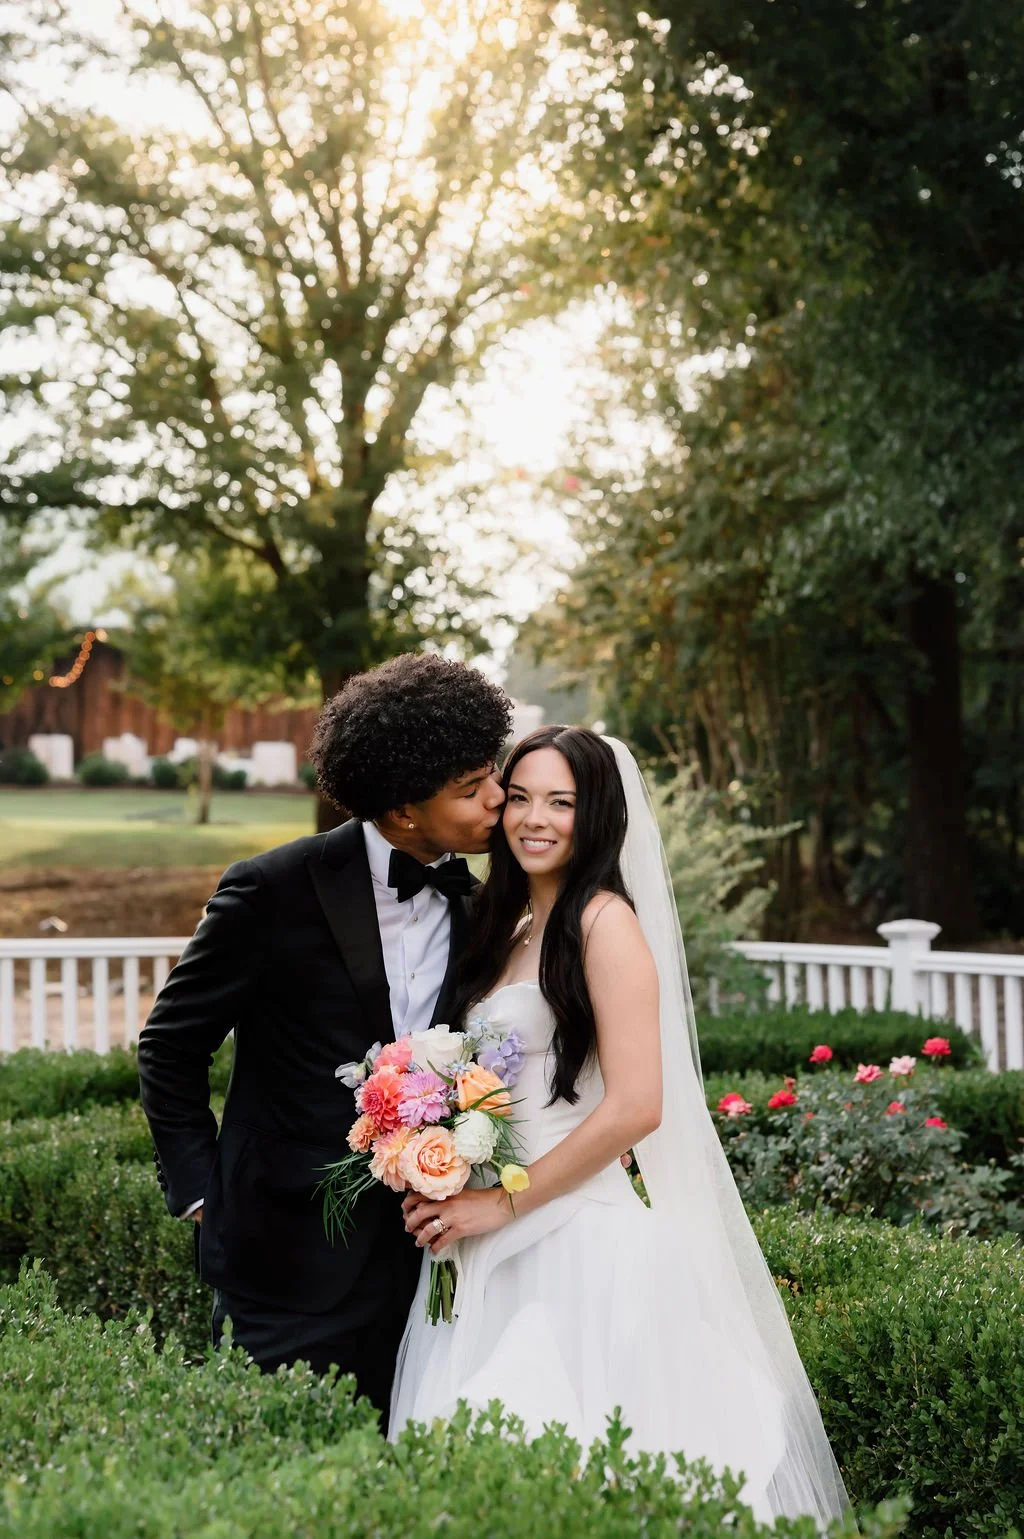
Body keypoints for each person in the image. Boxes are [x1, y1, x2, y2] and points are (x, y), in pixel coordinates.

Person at [391, 726, 849, 1527]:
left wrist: (504, 1202)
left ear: (594, 813)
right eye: (521, 797)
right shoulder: (504, 922)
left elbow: (638, 1104)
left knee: (580, 1465)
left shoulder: (604, 923)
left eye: (560, 802)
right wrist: (436, 1169)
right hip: (480, 1234)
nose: (534, 818)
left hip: (573, 1240)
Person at [137, 653, 511, 1417]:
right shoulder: (269, 890)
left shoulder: (483, 907)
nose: (498, 802)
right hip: (281, 1263)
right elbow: (170, 1044)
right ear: (405, 809)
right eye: (472, 790)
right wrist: (202, 1194)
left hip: (430, 1266)